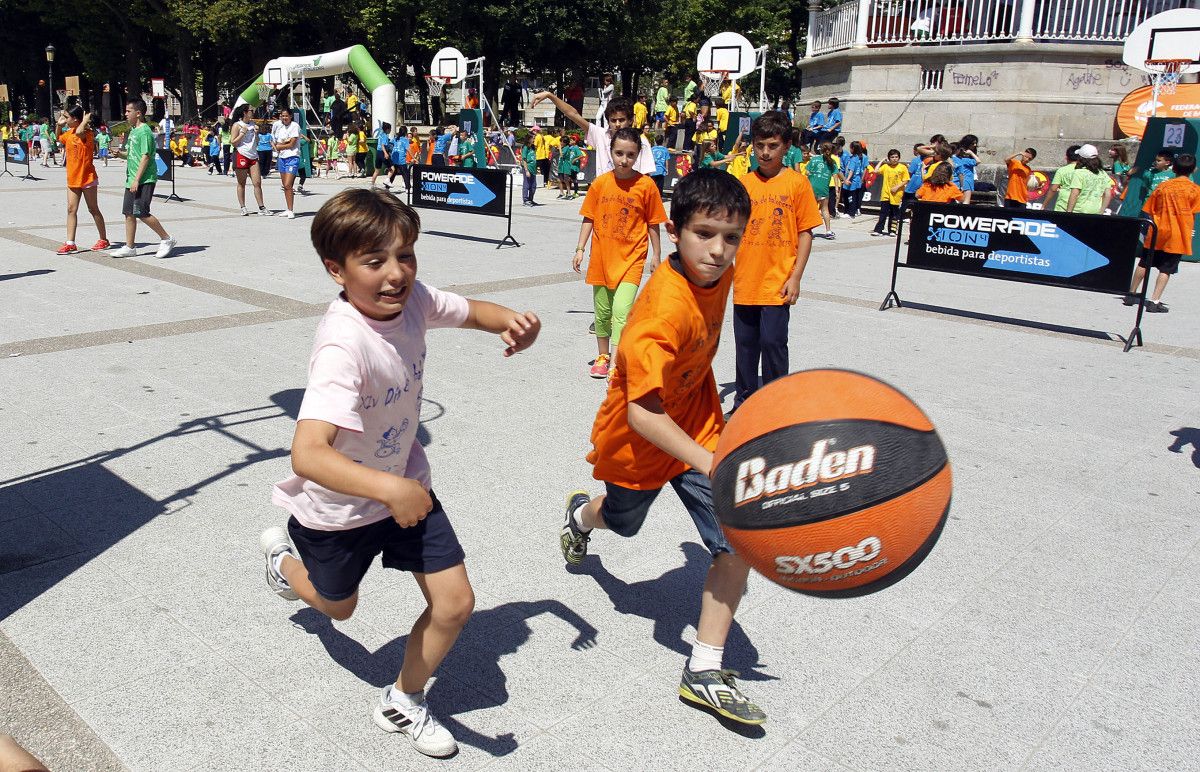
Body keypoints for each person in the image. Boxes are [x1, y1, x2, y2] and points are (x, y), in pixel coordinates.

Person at [260, 187, 540, 759]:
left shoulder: (412, 301)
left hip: (406, 489)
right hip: (340, 510)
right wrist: (389, 488)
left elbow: (468, 311)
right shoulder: (343, 346)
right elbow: (308, 453)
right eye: (375, 261)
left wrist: (511, 321)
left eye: (406, 255)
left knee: (455, 603)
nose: (396, 274)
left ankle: (404, 699)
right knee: (340, 607)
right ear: (335, 270)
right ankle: (283, 563)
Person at [560, 169, 766, 725]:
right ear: (675, 232)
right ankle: (581, 518)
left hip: (697, 424)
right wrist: (714, 461)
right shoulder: (658, 314)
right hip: (640, 441)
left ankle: (703, 669)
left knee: (735, 543)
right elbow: (642, 413)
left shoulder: (716, 271)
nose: (719, 251)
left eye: (731, 238)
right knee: (622, 523)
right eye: (704, 234)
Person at [731, 111, 822, 412]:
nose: (765, 152)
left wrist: (795, 277)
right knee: (745, 347)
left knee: (772, 343)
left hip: (778, 281)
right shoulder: (743, 183)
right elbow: (730, 230)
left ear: (786, 147)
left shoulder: (797, 184)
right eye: (759, 145)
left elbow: (806, 233)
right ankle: (743, 402)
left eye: (772, 145)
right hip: (745, 279)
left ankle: (775, 404)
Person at [572, 128, 666, 379]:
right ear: (610, 152)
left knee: (621, 311)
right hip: (602, 259)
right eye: (619, 153)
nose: (624, 160)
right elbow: (588, 218)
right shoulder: (600, 183)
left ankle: (616, 361)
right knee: (602, 312)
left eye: (630, 155)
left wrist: (656, 255)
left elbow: (654, 223)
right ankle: (602, 355)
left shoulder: (646, 186)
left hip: (632, 259)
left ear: (638, 156)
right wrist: (580, 249)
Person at [1127, 153, 1200, 313]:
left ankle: (1131, 294)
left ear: (1173, 168)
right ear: (1193, 169)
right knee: (1166, 269)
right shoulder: (1195, 189)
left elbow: (1149, 209)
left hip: (1157, 231)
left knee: (1144, 262)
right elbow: (1193, 212)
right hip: (1177, 235)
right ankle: (1154, 300)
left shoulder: (1163, 186)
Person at [530, 92, 656, 177]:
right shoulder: (600, 135)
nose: (617, 124)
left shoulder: (641, 142)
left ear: (630, 120)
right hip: (604, 197)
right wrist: (550, 95)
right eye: (613, 120)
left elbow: (646, 176)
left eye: (621, 120)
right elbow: (573, 114)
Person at [109, 98, 176, 258]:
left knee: (141, 212)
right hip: (131, 178)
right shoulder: (133, 131)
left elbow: (146, 157)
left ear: (138, 113)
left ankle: (167, 238)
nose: (125, 114)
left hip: (144, 179)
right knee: (128, 213)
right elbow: (134, 154)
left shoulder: (144, 131)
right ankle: (130, 247)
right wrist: (121, 154)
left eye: (128, 111)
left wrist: (137, 179)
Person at [54, 106, 109, 254]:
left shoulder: (87, 133)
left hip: (87, 178)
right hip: (73, 178)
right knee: (71, 209)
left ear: (76, 119)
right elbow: (58, 139)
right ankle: (70, 242)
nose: (65, 120)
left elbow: (79, 131)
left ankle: (103, 239)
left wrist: (85, 120)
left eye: (67, 117)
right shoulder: (69, 133)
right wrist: (58, 126)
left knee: (93, 209)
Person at [230, 104, 269, 216]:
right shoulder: (237, 125)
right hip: (241, 154)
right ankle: (243, 207)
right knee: (241, 183)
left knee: (257, 182)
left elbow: (255, 141)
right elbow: (233, 142)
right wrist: (242, 133)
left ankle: (261, 207)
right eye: (251, 110)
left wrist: (256, 133)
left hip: (253, 155)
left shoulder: (253, 124)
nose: (253, 112)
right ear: (245, 112)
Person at [1065, 144, 1114, 215]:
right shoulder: (1103, 173)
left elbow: (1074, 193)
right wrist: (1101, 212)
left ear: (1081, 158)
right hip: (1095, 211)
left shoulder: (1079, 173)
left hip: (1078, 211)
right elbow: (1107, 195)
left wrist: (1068, 212)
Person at [271, 108, 301, 219]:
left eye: (286, 116)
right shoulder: (280, 127)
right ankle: (288, 209)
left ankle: (291, 210)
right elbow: (277, 142)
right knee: (285, 186)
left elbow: (292, 144)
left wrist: (279, 146)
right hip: (282, 158)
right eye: (282, 116)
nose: (284, 118)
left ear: (291, 116)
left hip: (292, 157)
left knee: (288, 184)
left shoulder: (294, 126)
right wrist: (277, 146)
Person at [872, 148, 910, 236]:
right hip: (886, 194)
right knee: (883, 213)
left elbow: (906, 180)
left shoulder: (902, 167)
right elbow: (875, 170)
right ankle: (878, 230)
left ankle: (892, 230)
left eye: (896, 157)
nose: (894, 159)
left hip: (896, 194)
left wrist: (897, 187)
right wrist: (882, 161)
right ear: (889, 158)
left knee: (894, 214)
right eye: (892, 157)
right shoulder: (886, 167)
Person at [1045, 144, 1081, 212]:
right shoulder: (1086, 171)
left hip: (1062, 207)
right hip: (1079, 208)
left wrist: (1044, 205)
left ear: (1066, 157)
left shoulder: (1062, 170)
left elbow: (1053, 189)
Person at [841, 140, 870, 218]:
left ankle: (851, 212)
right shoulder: (855, 157)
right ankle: (848, 211)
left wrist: (847, 179)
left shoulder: (856, 158)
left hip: (853, 181)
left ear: (853, 148)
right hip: (855, 180)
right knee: (850, 196)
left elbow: (852, 170)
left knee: (851, 197)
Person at [953, 134, 979, 205]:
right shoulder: (964, 159)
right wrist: (971, 153)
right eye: (973, 143)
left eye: (975, 143)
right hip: (967, 179)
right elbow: (978, 161)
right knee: (966, 201)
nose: (975, 145)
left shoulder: (955, 159)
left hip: (959, 180)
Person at [557, 134, 581, 199]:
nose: (560, 143)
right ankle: (561, 193)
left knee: (566, 180)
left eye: (561, 142)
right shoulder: (566, 147)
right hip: (561, 165)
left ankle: (569, 193)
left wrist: (559, 148)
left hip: (566, 166)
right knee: (559, 179)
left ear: (564, 142)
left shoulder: (567, 147)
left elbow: (562, 155)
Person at [370, 121, 394, 186]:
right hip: (383, 153)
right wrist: (386, 153)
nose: (390, 130)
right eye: (390, 129)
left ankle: (372, 184)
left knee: (377, 170)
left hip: (378, 153)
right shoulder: (385, 136)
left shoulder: (381, 134)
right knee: (392, 168)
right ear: (387, 129)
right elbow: (383, 145)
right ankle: (387, 180)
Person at [520, 135, 539, 206]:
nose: (534, 139)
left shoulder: (532, 147)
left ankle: (531, 199)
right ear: (528, 139)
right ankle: (525, 200)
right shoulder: (525, 148)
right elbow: (524, 159)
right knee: (527, 184)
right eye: (532, 138)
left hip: (533, 169)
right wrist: (526, 170)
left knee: (533, 185)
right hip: (528, 168)